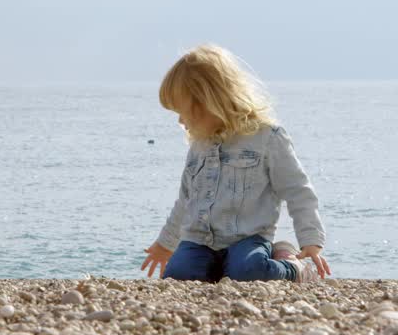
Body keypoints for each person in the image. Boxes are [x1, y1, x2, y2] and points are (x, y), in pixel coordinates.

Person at [140, 45, 331, 283]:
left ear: (209, 102)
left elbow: (298, 191)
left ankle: (292, 267)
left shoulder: (267, 138)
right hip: (200, 241)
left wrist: (310, 240)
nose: (180, 120)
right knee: (178, 276)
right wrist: (165, 244)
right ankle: (220, 268)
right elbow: (185, 201)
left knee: (248, 272)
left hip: (247, 239)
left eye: (184, 111)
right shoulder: (199, 146)